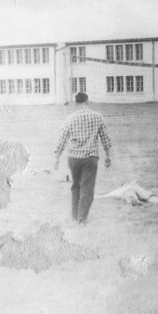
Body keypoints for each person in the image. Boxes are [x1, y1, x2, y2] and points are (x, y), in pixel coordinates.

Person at [54, 92, 113, 224]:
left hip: (73, 158)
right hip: (90, 158)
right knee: (87, 188)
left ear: (76, 103)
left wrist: (56, 157)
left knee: (76, 186)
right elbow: (105, 139)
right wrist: (108, 156)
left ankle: (75, 216)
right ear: (87, 101)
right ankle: (81, 219)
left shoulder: (70, 118)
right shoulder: (97, 117)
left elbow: (62, 140)